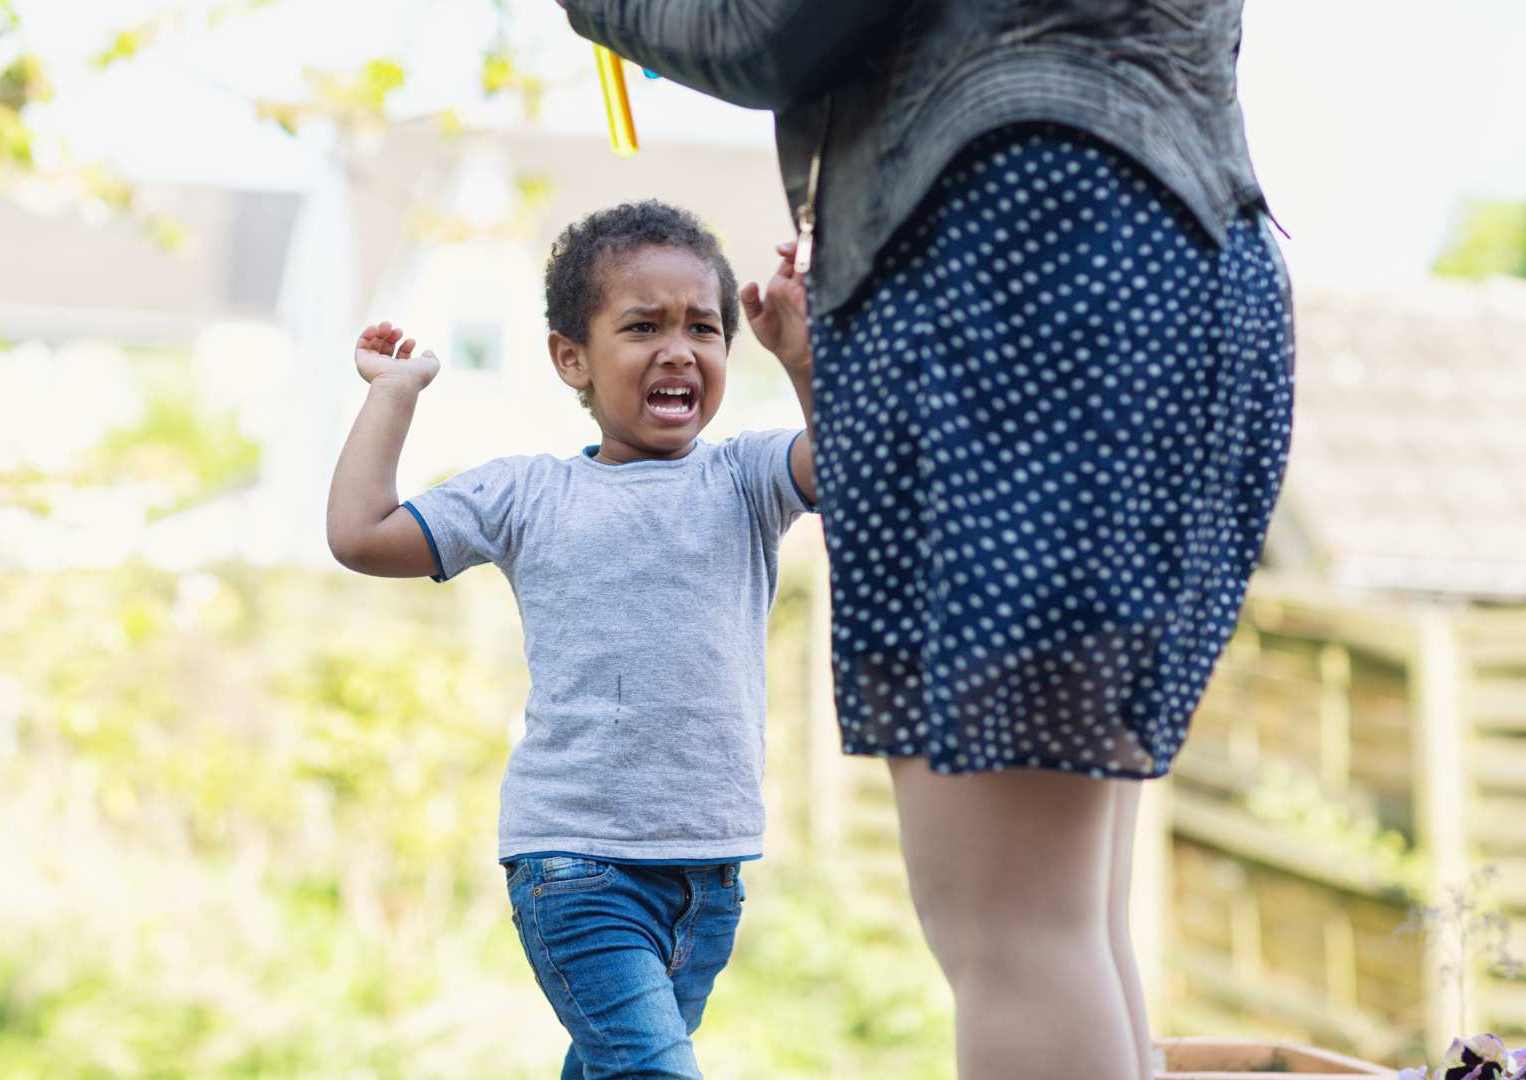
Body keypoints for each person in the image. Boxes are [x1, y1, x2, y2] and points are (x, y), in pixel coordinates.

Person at [558, 4, 1296, 1079]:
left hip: (1021, 257)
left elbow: (770, 26)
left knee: (1016, 933)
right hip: (1184, 255)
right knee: (1071, 917)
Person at [325, 199, 819, 1079]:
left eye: (703, 328)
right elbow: (362, 535)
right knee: (652, 1071)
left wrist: (806, 359)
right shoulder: (527, 495)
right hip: (577, 867)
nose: (678, 348)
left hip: (709, 873)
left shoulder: (744, 479)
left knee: (610, 1068)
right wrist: (393, 394)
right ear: (571, 359)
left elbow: (856, 462)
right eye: (642, 326)